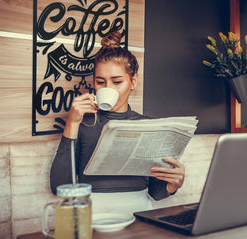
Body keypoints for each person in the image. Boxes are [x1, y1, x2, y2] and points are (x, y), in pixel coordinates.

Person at [50, 31, 185, 215]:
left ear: (133, 81)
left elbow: (155, 192)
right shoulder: (83, 124)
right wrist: (72, 124)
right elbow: (59, 187)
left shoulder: (148, 125)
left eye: (117, 81)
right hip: (91, 216)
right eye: (100, 82)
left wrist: (172, 184)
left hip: (139, 215)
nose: (107, 89)